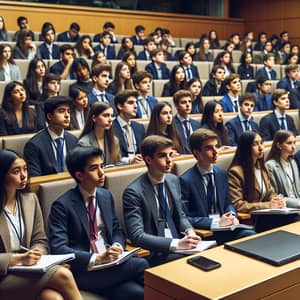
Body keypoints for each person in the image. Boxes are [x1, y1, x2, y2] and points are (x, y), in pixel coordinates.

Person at [48, 146, 147, 300]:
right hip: (85, 270)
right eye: (94, 168)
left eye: (102, 166)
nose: (102, 173)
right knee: (141, 265)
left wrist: (117, 246)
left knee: (137, 294)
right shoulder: (62, 205)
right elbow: (58, 248)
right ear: (79, 175)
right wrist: (97, 258)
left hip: (111, 265)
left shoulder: (105, 196)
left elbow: (116, 230)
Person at [0, 149, 83, 300]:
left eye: (25, 169)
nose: (24, 175)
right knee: (63, 274)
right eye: (16, 171)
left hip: (27, 271)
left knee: (52, 297)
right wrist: (18, 259)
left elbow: (40, 239)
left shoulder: (30, 199)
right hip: (4, 276)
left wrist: (36, 253)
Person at [123, 135, 201, 266]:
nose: (169, 160)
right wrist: (176, 244)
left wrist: (190, 232)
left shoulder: (173, 180)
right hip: (156, 253)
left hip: (180, 244)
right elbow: (137, 236)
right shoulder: (133, 192)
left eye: (170, 154)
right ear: (148, 159)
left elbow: (180, 216)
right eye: (162, 156)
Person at [180, 128, 255, 244]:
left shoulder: (221, 173)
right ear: (197, 153)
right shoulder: (185, 180)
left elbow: (228, 203)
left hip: (226, 228)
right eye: (209, 148)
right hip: (205, 233)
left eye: (216, 146)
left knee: (251, 236)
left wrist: (232, 215)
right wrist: (215, 222)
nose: (215, 151)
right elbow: (185, 217)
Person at [227, 131, 297, 232]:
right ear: (246, 147)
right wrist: (268, 205)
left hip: (267, 215)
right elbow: (238, 204)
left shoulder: (262, 167)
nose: (261, 148)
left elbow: (270, 192)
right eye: (255, 144)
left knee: (293, 217)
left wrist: (277, 200)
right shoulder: (236, 172)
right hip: (253, 218)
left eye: (261, 143)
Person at [24, 96, 78, 177]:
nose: (67, 115)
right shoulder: (34, 145)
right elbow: (35, 179)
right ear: (49, 116)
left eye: (69, 111)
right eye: (61, 111)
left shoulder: (73, 140)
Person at [266, 130, 300, 208]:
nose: (293, 146)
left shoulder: (293, 162)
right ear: (278, 145)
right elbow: (276, 196)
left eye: (294, 143)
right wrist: (298, 203)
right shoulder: (270, 166)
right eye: (289, 143)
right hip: (284, 207)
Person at [113, 90, 145, 164]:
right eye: (131, 103)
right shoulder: (110, 128)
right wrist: (129, 160)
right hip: (120, 168)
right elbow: (111, 157)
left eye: (136, 102)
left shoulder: (139, 127)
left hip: (139, 165)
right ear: (120, 106)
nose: (136, 106)